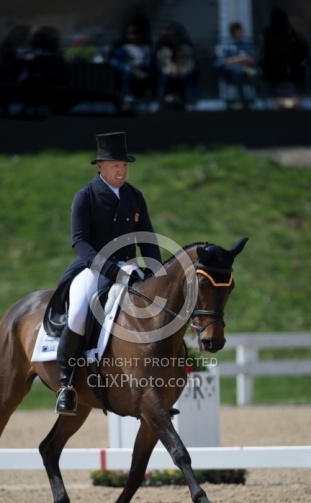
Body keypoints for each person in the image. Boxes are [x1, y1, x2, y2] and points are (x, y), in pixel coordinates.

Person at [54, 131, 162, 415]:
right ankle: (66, 384)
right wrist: (110, 269)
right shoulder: (86, 196)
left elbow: (147, 238)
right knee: (78, 311)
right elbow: (79, 242)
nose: (121, 171)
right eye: (116, 165)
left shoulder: (134, 196)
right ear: (100, 166)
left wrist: (157, 272)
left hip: (129, 267)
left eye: (124, 165)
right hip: (94, 267)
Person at [259, 9, 309, 106]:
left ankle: (287, 99)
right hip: (277, 70)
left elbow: (300, 50)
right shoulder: (274, 33)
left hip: (285, 69)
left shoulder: (288, 33)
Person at [110, 18, 157, 108]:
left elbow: (152, 62)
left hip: (144, 71)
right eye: (133, 34)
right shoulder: (125, 48)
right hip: (129, 72)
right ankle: (128, 96)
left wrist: (144, 66)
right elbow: (115, 61)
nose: (135, 36)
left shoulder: (147, 49)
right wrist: (128, 68)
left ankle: (153, 98)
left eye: (138, 34)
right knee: (127, 76)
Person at [155, 22, 201, 108]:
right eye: (171, 36)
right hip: (169, 73)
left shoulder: (186, 49)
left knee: (188, 78)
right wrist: (171, 71)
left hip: (183, 72)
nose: (174, 39)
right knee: (163, 79)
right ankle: (160, 102)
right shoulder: (163, 50)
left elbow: (190, 64)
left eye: (176, 36)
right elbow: (162, 65)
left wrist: (180, 71)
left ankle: (190, 102)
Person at [214, 22, 256, 105]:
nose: (242, 33)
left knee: (253, 73)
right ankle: (238, 100)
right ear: (233, 33)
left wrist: (235, 60)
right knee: (236, 71)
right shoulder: (226, 45)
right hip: (230, 74)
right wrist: (241, 59)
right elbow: (224, 61)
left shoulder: (247, 45)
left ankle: (248, 100)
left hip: (247, 73)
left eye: (242, 31)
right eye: (239, 31)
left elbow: (251, 59)